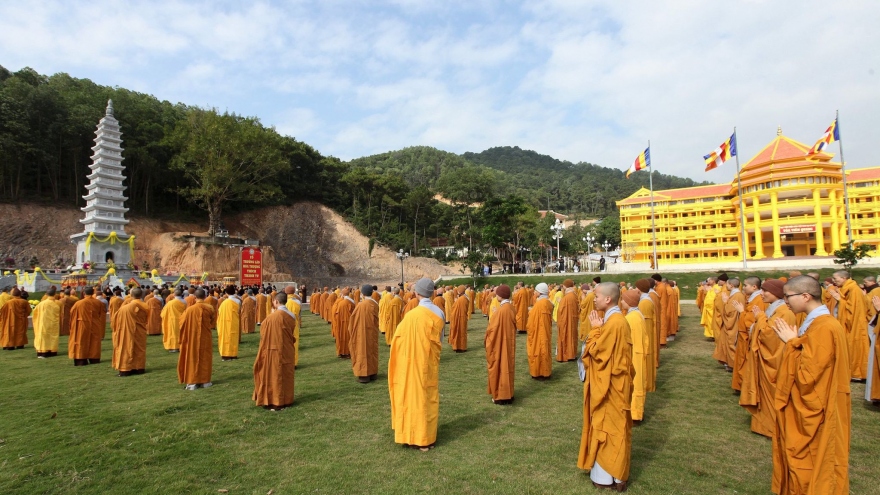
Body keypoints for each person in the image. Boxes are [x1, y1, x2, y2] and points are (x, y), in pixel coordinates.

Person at [771, 275, 850, 495]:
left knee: (812, 462)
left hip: (819, 408)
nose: (785, 301)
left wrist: (791, 343)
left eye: (788, 296)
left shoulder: (824, 327)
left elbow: (808, 376)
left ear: (805, 296)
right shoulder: (816, 323)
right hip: (817, 402)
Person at [577, 283, 633, 491]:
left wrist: (594, 330)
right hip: (613, 384)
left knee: (609, 429)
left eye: (597, 295)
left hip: (610, 387)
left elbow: (596, 354)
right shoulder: (614, 321)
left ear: (608, 299)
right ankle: (613, 476)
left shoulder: (614, 323)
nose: (594, 298)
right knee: (612, 427)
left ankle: (610, 475)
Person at [388, 277, 444, 451]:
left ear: (417, 293)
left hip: (409, 363)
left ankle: (411, 435)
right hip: (428, 363)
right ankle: (426, 437)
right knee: (427, 398)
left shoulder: (411, 315)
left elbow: (399, 339)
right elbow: (440, 339)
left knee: (410, 397)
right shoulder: (439, 313)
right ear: (432, 292)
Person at [736, 279, 795, 438]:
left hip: (774, 360)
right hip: (765, 357)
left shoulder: (784, 312)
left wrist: (760, 317)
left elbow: (770, 336)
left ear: (776, 293)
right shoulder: (774, 309)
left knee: (772, 393)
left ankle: (771, 427)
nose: (762, 294)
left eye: (765, 291)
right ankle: (764, 426)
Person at [253, 292, 297, 410]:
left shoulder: (272, 317)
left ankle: (275, 401)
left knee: (273, 375)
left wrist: (271, 316)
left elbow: (263, 332)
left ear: (276, 302)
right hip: (287, 349)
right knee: (286, 374)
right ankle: (287, 400)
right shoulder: (292, 315)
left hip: (273, 350)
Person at [827, 270, 869, 381]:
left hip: (855, 325)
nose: (834, 281)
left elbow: (853, 310)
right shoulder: (846, 289)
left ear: (844, 278)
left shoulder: (854, 289)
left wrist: (840, 300)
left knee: (855, 348)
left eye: (836, 278)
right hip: (848, 323)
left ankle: (857, 373)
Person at [731, 277, 765, 392]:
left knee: (745, 361)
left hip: (747, 336)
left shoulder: (759, 300)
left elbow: (751, 322)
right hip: (743, 336)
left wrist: (741, 311)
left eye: (745, 285)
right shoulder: (752, 298)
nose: (743, 287)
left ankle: (745, 386)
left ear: (754, 287)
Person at [177, 289, 215, 390]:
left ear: (195, 297)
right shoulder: (209, 308)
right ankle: (205, 381)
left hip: (192, 337)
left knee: (192, 357)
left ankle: (192, 382)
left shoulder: (189, 310)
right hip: (205, 337)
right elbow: (212, 321)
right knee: (205, 357)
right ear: (205, 296)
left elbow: (181, 322)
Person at [485, 284, 516, 405]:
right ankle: (509, 394)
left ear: (501, 295)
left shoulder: (501, 311)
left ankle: (500, 395)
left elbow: (492, 330)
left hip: (499, 344)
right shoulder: (511, 308)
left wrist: (487, 339)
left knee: (499, 368)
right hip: (508, 343)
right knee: (507, 367)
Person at [621, 288, 648, 422]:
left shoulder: (631, 318)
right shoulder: (637, 315)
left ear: (628, 302)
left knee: (635, 384)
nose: (621, 302)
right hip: (639, 353)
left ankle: (635, 414)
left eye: (623, 299)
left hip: (634, 355)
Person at [112, 287, 148, 376]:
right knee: (139, 349)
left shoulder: (126, 308)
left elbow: (116, 320)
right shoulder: (145, 306)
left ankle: (125, 369)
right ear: (142, 295)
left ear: (131, 295)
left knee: (126, 348)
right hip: (140, 331)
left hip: (127, 331)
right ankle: (139, 368)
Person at [68, 287, 107, 365]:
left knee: (81, 341)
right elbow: (101, 314)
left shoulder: (79, 303)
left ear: (84, 293)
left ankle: (81, 359)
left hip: (82, 324)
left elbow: (72, 313)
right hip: (94, 324)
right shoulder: (98, 302)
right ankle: (94, 359)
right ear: (93, 293)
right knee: (94, 342)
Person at [349, 284, 380, 383]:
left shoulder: (361, 305)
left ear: (362, 293)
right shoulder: (375, 304)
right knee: (372, 351)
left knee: (362, 351)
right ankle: (373, 372)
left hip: (362, 332)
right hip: (372, 332)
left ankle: (364, 375)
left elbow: (353, 320)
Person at [526, 282, 553, 379]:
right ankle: (545, 371)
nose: (534, 292)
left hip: (539, 332)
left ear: (540, 293)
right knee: (544, 350)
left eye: (536, 291)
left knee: (538, 350)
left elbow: (533, 320)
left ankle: (540, 372)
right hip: (544, 331)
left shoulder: (540, 304)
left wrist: (530, 311)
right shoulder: (546, 302)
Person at [636, 278, 657, 391]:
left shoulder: (645, 302)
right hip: (647, 331)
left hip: (646, 332)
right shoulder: (645, 300)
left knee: (646, 357)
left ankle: (647, 383)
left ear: (639, 289)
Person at [556, 279, 579, 362]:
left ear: (565, 286)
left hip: (566, 320)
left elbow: (562, 309)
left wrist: (560, 301)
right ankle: (572, 353)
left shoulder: (567, 297)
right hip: (572, 320)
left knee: (566, 336)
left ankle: (567, 354)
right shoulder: (574, 295)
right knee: (571, 336)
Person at [32, 292, 61, 358]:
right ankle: (52, 351)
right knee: (52, 337)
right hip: (53, 324)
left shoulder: (41, 304)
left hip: (42, 323)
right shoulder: (56, 304)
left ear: (47, 295)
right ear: (54, 295)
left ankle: (42, 351)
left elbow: (35, 313)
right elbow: (60, 313)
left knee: (43, 337)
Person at [217, 286, 241, 361]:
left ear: (226, 293)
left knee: (225, 337)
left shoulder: (224, 302)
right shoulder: (238, 301)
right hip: (234, 321)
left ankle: (225, 355)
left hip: (225, 323)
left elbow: (219, 312)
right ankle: (233, 354)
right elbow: (239, 311)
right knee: (233, 337)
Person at [332, 287, 356, 358]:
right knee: (348, 337)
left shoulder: (340, 303)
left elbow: (335, 313)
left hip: (341, 323)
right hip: (349, 323)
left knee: (342, 337)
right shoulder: (351, 302)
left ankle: (342, 351)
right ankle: (347, 352)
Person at [448, 285, 470, 352]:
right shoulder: (464, 298)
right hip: (461, 318)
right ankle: (460, 346)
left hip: (459, 318)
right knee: (461, 332)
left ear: (460, 290)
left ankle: (460, 347)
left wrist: (455, 301)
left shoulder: (462, 299)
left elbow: (455, 308)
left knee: (459, 332)